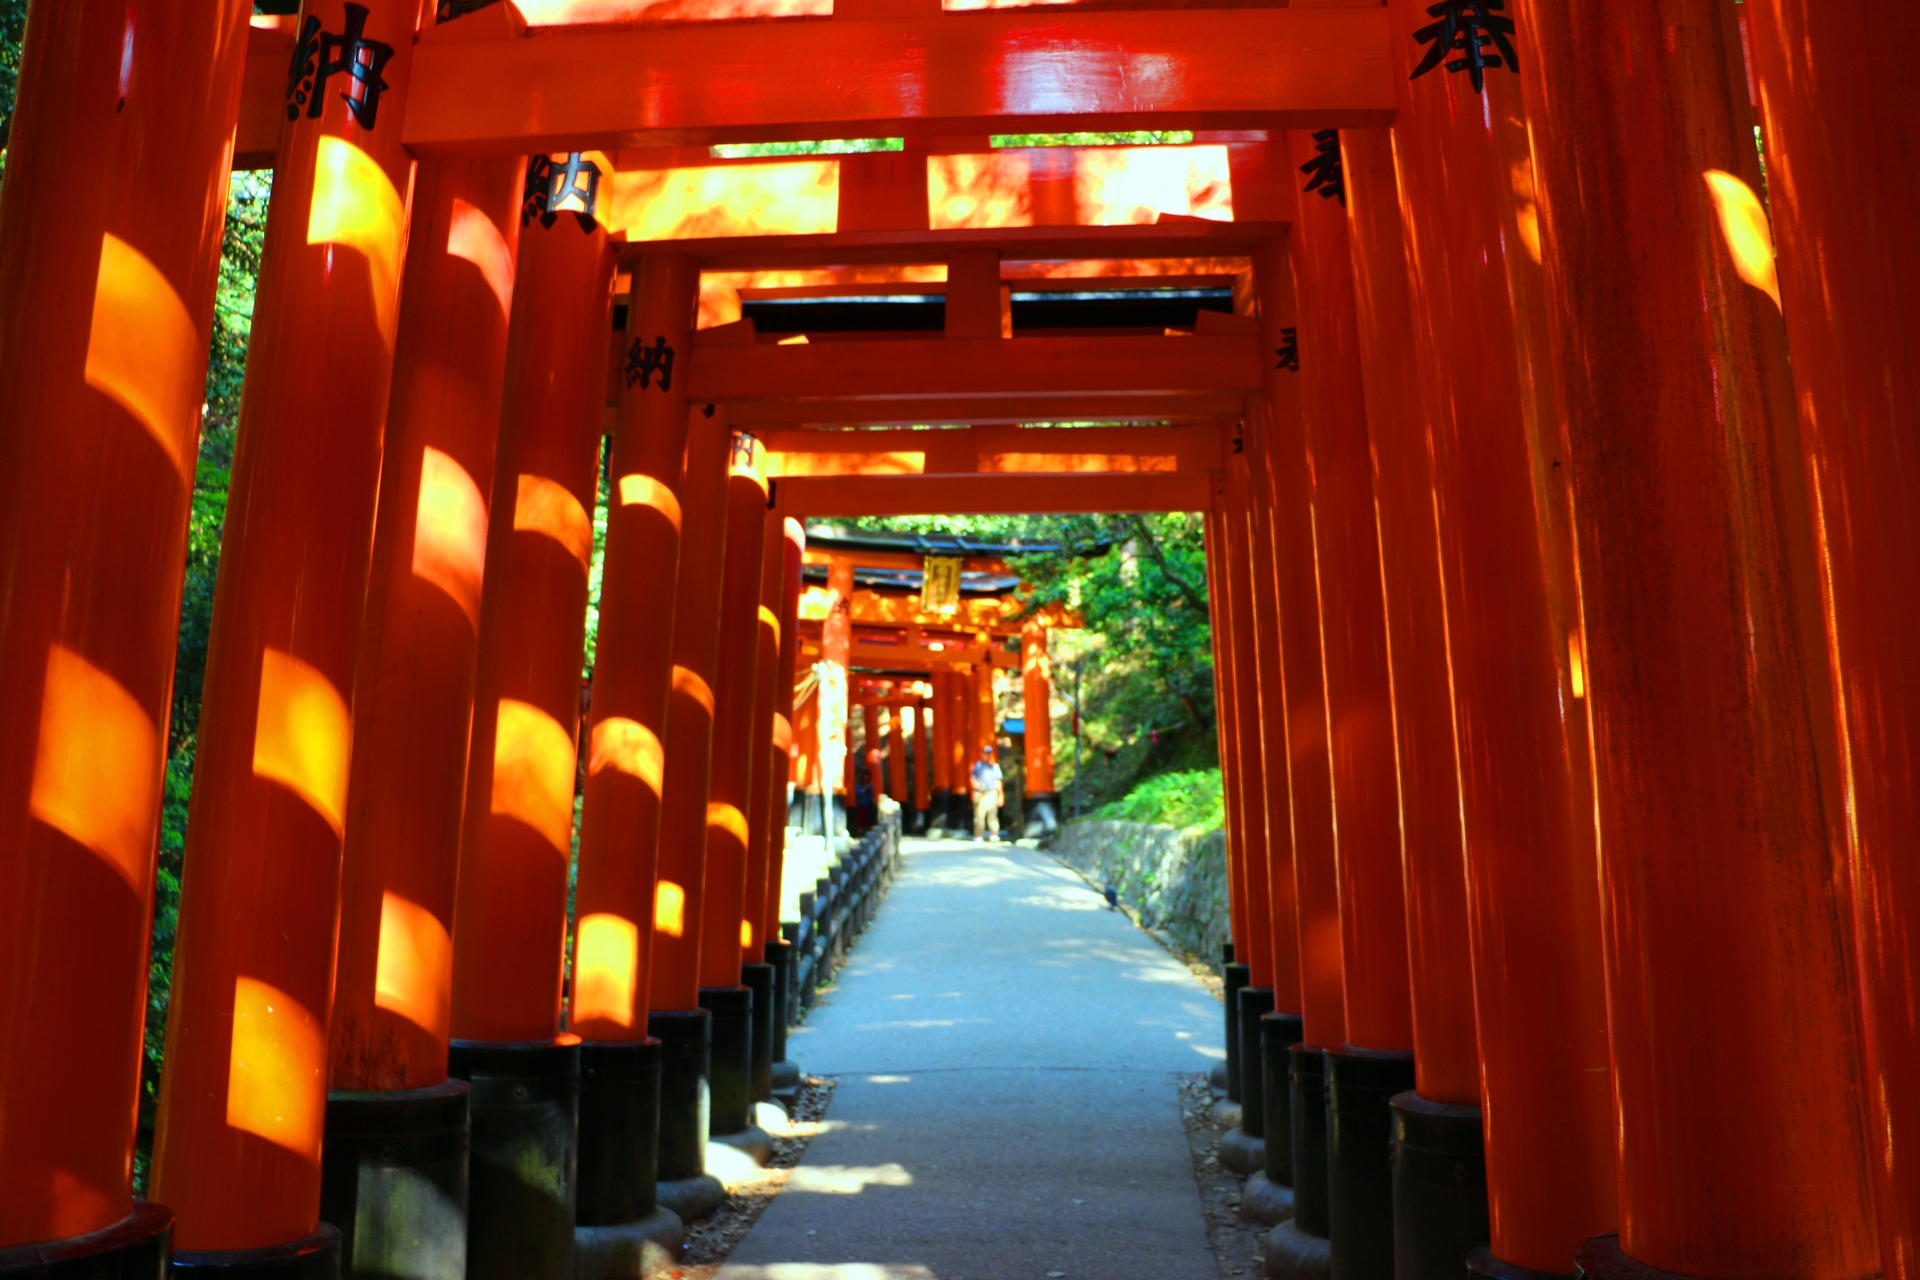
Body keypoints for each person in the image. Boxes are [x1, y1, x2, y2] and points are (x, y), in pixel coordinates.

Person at [971, 745, 1004, 842]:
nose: (987, 756)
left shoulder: (995, 767)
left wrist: (1000, 795)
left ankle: (994, 833)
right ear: (982, 754)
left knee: (992, 814)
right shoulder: (978, 765)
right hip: (980, 793)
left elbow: (999, 782)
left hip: (992, 792)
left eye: (989, 754)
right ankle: (978, 835)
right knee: (979, 814)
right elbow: (973, 778)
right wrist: (976, 785)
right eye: (985, 754)